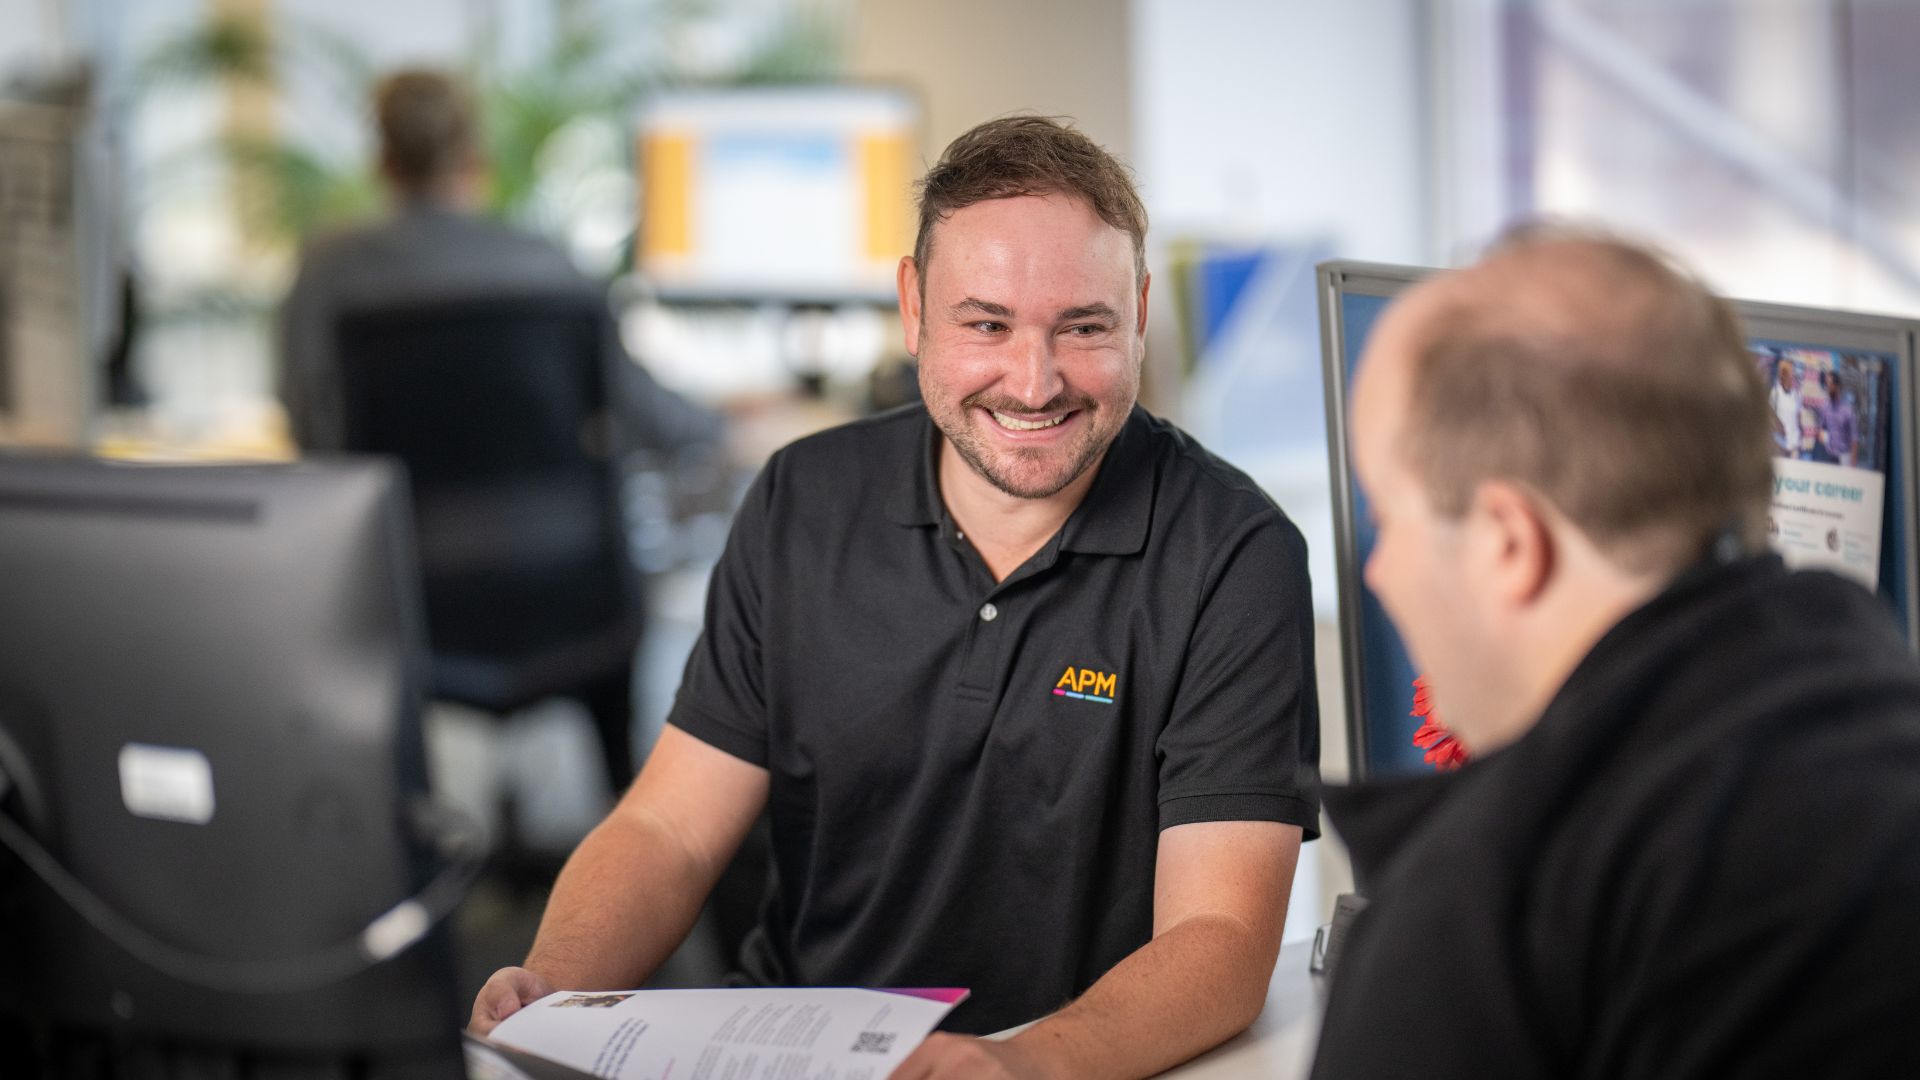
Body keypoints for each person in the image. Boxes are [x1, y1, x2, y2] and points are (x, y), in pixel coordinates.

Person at [470, 116, 1321, 1077]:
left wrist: (1017, 1068)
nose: (1033, 383)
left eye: (1082, 327)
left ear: (1136, 310)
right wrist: (552, 987)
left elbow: (1220, 939)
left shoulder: (1233, 556)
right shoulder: (802, 497)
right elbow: (667, 827)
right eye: (986, 324)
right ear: (914, 309)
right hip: (784, 1051)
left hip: (1062, 1057)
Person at [1311, 225, 1920, 1077]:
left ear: (1508, 543)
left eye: (1389, 516)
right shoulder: (1878, 709)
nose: (1377, 570)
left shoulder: (1488, 913)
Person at [276, 68, 717, 456]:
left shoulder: (327, 270)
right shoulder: (548, 267)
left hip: (389, 542)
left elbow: (308, 427)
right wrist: (736, 423)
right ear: (476, 160)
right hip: (551, 543)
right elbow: (649, 413)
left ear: (384, 163)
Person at [1817, 368, 1858, 467]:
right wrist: (1822, 435)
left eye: (1830, 384)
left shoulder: (1848, 410)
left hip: (1844, 456)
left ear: (1837, 386)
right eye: (1826, 384)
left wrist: (1853, 462)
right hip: (1829, 457)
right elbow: (1820, 429)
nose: (1828, 387)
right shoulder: (1825, 407)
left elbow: (1854, 438)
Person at [1768, 356, 1802, 458]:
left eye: (1794, 374)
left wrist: (1800, 438)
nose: (1794, 377)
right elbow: (1770, 417)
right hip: (1779, 443)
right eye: (1792, 374)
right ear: (1784, 375)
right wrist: (1778, 428)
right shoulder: (1776, 393)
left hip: (1794, 445)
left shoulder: (1797, 395)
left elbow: (1798, 419)